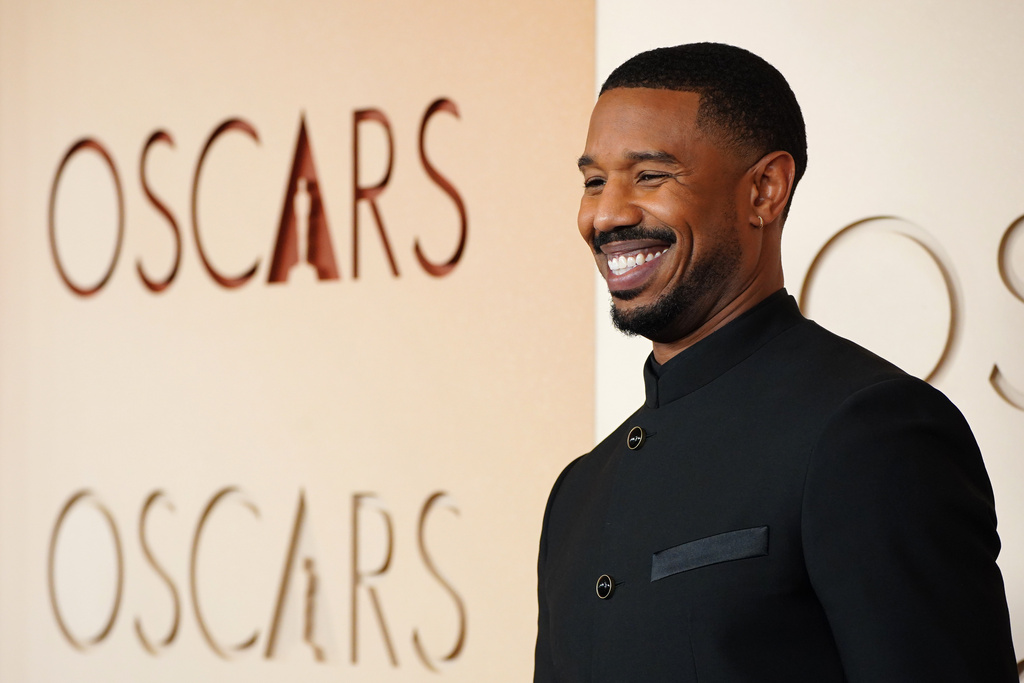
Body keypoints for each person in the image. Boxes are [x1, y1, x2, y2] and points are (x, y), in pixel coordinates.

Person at [534, 42, 1017, 682]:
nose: (606, 213)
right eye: (594, 180)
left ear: (765, 190)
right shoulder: (578, 492)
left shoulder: (872, 432)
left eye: (650, 176)